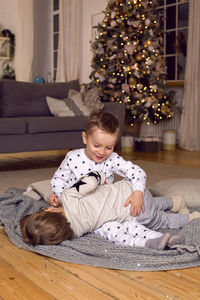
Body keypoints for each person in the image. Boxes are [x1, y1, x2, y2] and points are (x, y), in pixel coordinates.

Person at [20, 172, 200, 248]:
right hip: (132, 189)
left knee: (159, 220)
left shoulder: (77, 232)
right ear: (50, 211)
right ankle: (174, 202)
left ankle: (189, 218)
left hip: (134, 207)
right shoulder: (68, 195)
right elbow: (90, 180)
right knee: (151, 207)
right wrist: (100, 176)